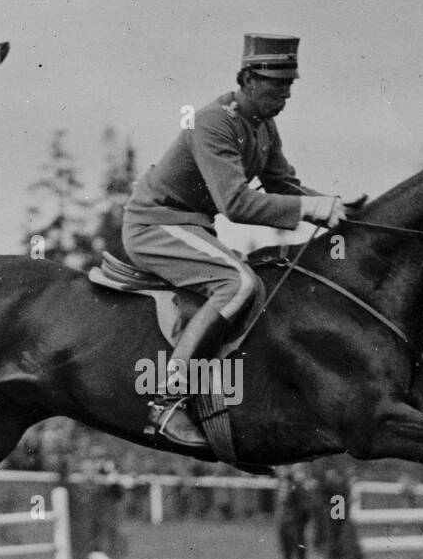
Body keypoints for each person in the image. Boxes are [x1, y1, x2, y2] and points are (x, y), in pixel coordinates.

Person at [122, 33, 363, 447]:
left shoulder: (263, 127)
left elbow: (281, 184)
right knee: (238, 283)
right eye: (277, 86)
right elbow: (234, 203)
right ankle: (167, 403)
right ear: (248, 79)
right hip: (154, 225)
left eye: (289, 86)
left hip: (192, 227)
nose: (286, 96)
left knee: (254, 283)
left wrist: (333, 205)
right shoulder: (214, 122)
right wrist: (310, 210)